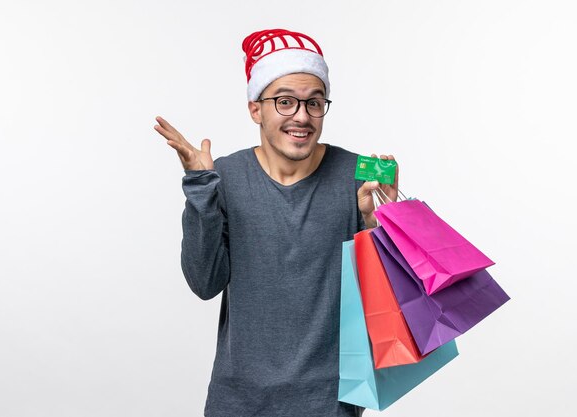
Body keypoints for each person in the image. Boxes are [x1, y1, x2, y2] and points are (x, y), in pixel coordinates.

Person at [154, 29, 398, 417]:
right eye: (285, 102)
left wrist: (380, 220)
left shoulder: (361, 173)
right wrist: (200, 190)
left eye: (314, 103)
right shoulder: (224, 176)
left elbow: (390, 299)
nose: (301, 117)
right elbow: (204, 284)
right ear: (256, 109)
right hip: (238, 400)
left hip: (329, 402)